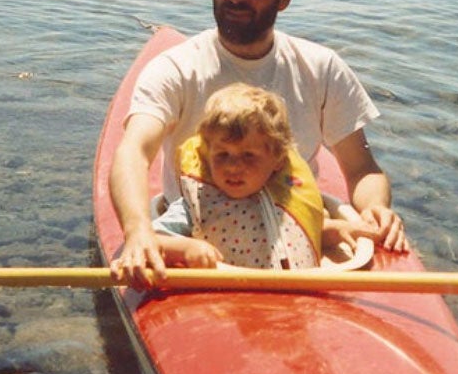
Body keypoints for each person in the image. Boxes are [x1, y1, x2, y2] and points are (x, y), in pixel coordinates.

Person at [110, 0, 408, 286]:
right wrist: (138, 231)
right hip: (200, 242)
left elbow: (361, 167)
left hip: (292, 227)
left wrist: (375, 210)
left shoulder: (322, 68)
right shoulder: (174, 68)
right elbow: (134, 152)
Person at [152, 83, 377, 270]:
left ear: (278, 160)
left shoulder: (288, 198)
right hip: (227, 297)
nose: (233, 166)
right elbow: (151, 240)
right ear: (208, 155)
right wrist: (186, 248)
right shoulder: (195, 206)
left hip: (296, 295)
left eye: (248, 156)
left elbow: (294, 236)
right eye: (222, 155)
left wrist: (335, 231)